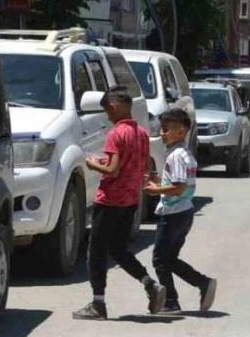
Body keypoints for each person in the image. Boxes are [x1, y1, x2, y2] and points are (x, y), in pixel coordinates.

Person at [74, 86, 167, 320]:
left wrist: (94, 164)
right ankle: (150, 285)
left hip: (109, 201)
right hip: (130, 201)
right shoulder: (142, 134)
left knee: (95, 252)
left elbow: (113, 170)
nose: (107, 116)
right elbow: (144, 165)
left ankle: (98, 305)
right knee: (119, 249)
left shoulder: (116, 134)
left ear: (114, 107)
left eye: (107, 111)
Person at [143, 108, 217, 316]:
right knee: (170, 259)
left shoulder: (175, 156)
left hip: (173, 213)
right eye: (162, 129)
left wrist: (157, 190)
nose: (162, 134)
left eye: (166, 130)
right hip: (184, 212)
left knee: (159, 259)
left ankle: (171, 302)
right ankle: (203, 283)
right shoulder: (185, 154)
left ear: (181, 131)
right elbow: (177, 183)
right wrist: (159, 181)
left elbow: (179, 186)